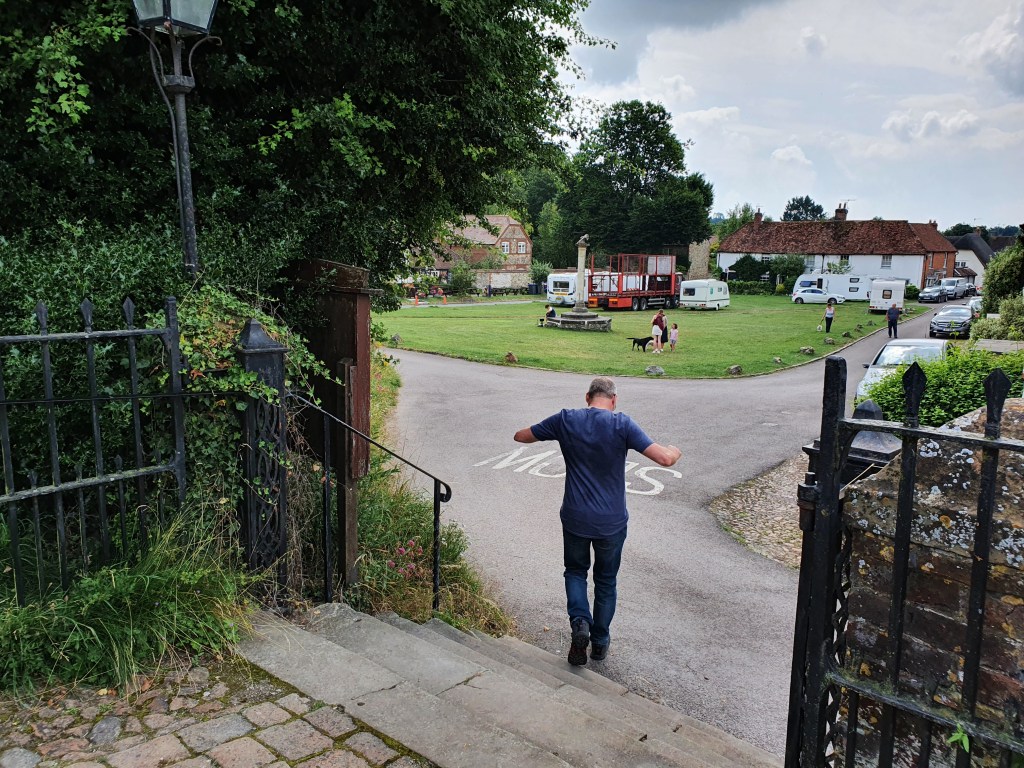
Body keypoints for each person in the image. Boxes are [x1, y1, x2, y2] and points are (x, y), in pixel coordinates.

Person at [513, 377, 681, 666]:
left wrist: (528, 431)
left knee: (576, 571)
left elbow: (522, 436)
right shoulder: (622, 425)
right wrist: (674, 449)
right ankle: (600, 641)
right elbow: (665, 459)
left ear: (587, 397)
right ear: (613, 400)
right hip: (611, 523)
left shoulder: (566, 420)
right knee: (606, 581)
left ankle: (580, 623)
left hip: (576, 517)